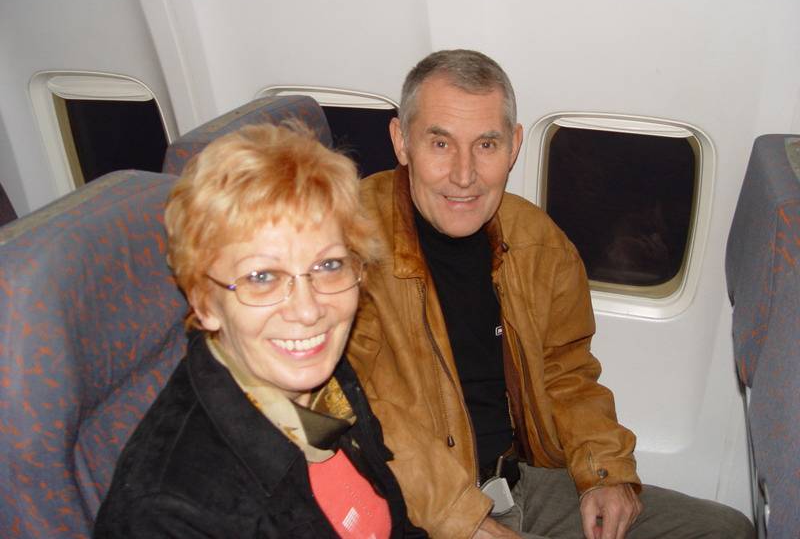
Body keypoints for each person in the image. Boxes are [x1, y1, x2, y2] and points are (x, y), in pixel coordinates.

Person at [346, 50, 754, 539]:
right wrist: (462, 520)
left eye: (486, 144)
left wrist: (604, 472)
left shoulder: (537, 242)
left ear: (514, 146)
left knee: (725, 529)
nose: (464, 174)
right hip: (415, 505)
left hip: (514, 484)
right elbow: (349, 409)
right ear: (401, 141)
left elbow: (566, 369)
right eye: (440, 143)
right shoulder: (345, 247)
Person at [94, 123, 426, 538]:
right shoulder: (167, 514)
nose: (309, 311)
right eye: (262, 276)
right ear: (203, 301)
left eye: (328, 265)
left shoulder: (324, 383)